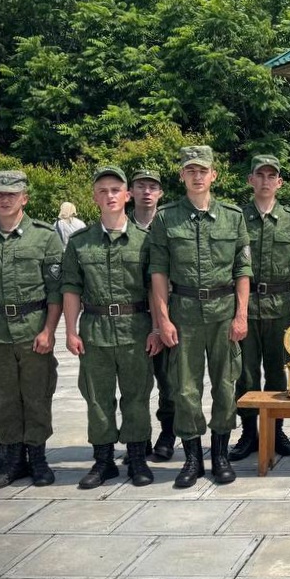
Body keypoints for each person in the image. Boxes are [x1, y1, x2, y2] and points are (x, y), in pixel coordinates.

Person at [148, 146, 252, 488]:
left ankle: (220, 455)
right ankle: (193, 458)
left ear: (213, 175)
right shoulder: (165, 218)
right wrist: (163, 319)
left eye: (202, 170)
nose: (196, 176)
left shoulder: (233, 217)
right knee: (185, 389)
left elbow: (242, 270)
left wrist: (241, 315)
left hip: (223, 314)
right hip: (185, 314)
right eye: (190, 170)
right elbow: (159, 272)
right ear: (182, 175)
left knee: (225, 385)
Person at [0, 170, 64, 490]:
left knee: (36, 396)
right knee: (3, 399)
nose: (5, 199)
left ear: (24, 198)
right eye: (0, 193)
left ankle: (38, 457)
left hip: (33, 330)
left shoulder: (45, 237)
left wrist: (50, 331)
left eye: (12, 194)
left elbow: (55, 291)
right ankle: (11, 461)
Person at [62, 167, 162, 489]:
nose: (110, 196)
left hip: (136, 329)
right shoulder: (79, 243)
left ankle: (136, 459)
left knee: (136, 397)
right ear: (94, 197)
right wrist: (71, 331)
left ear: (127, 196)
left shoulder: (145, 241)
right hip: (95, 331)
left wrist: (157, 328)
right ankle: (103, 461)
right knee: (97, 399)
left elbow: (155, 288)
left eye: (116, 190)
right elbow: (71, 288)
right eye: (103, 190)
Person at [229, 155, 290, 463]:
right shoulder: (236, 218)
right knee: (245, 374)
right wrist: (236, 310)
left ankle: (276, 431)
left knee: (278, 373)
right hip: (246, 308)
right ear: (250, 180)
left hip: (280, 307)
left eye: (271, 175)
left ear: (279, 183)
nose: (265, 180)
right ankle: (249, 433)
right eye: (259, 175)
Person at [128, 167, 175, 461]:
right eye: (141, 186)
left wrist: (162, 323)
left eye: (152, 187)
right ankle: (138, 437)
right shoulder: (120, 227)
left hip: (168, 312)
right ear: (130, 192)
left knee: (169, 381)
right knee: (135, 382)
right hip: (132, 315)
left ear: (160, 193)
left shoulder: (171, 224)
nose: (147, 192)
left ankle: (167, 434)